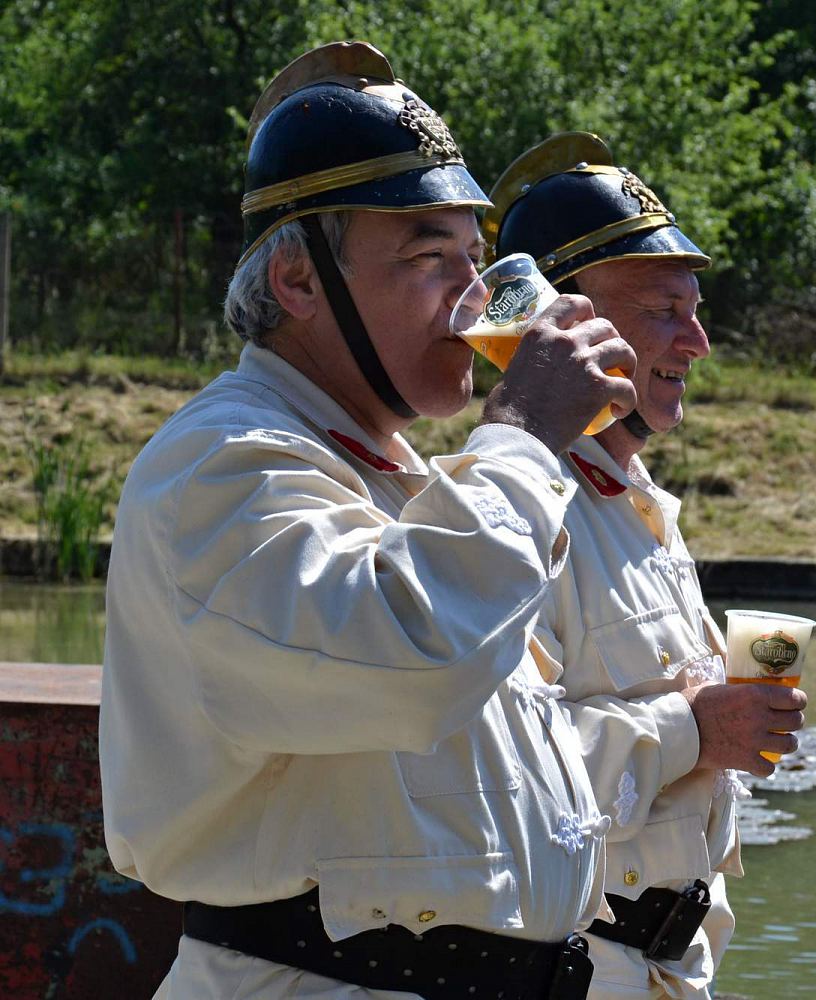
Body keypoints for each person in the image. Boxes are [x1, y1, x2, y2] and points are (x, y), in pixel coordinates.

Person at [98, 43, 637, 999]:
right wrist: (521, 435)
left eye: (476, 258)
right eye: (430, 258)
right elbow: (412, 655)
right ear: (300, 282)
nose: (474, 302)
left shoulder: (393, 473)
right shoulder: (218, 465)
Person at [484, 133, 808, 998]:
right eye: (664, 309)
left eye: (694, 309)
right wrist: (698, 729)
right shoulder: (511, 513)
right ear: (565, 323)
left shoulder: (640, 503)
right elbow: (490, 782)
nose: (697, 341)